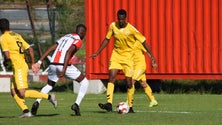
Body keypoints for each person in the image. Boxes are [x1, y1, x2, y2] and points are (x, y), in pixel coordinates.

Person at [90, 9, 157, 113]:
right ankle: (109, 103)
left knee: (129, 83)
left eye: (122, 19)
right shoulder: (113, 26)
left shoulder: (132, 30)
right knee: (111, 77)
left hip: (128, 58)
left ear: (125, 18)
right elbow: (107, 39)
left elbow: (144, 42)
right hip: (116, 56)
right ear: (117, 18)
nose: (120, 21)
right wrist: (97, 52)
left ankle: (130, 106)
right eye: (119, 19)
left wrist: (152, 56)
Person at [0, 18, 57, 118]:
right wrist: (32, 63)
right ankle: (26, 111)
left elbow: (7, 56)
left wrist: (5, 62)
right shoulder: (16, 35)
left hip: (19, 67)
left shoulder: (3, 37)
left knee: (22, 93)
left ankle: (49, 97)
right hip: (20, 66)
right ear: (9, 26)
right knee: (14, 92)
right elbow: (30, 48)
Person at [31, 24, 89, 116]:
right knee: (84, 82)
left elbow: (50, 48)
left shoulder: (66, 36)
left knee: (49, 85)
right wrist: (64, 68)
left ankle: (37, 101)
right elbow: (68, 52)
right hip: (63, 65)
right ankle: (76, 105)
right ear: (82, 32)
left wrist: (39, 62)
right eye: (85, 33)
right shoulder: (78, 40)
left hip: (53, 64)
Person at [130, 40, 158, 108]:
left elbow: (147, 52)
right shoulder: (127, 44)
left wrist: (153, 61)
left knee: (131, 81)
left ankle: (129, 101)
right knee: (143, 84)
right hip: (134, 67)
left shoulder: (138, 43)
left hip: (140, 66)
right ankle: (153, 101)